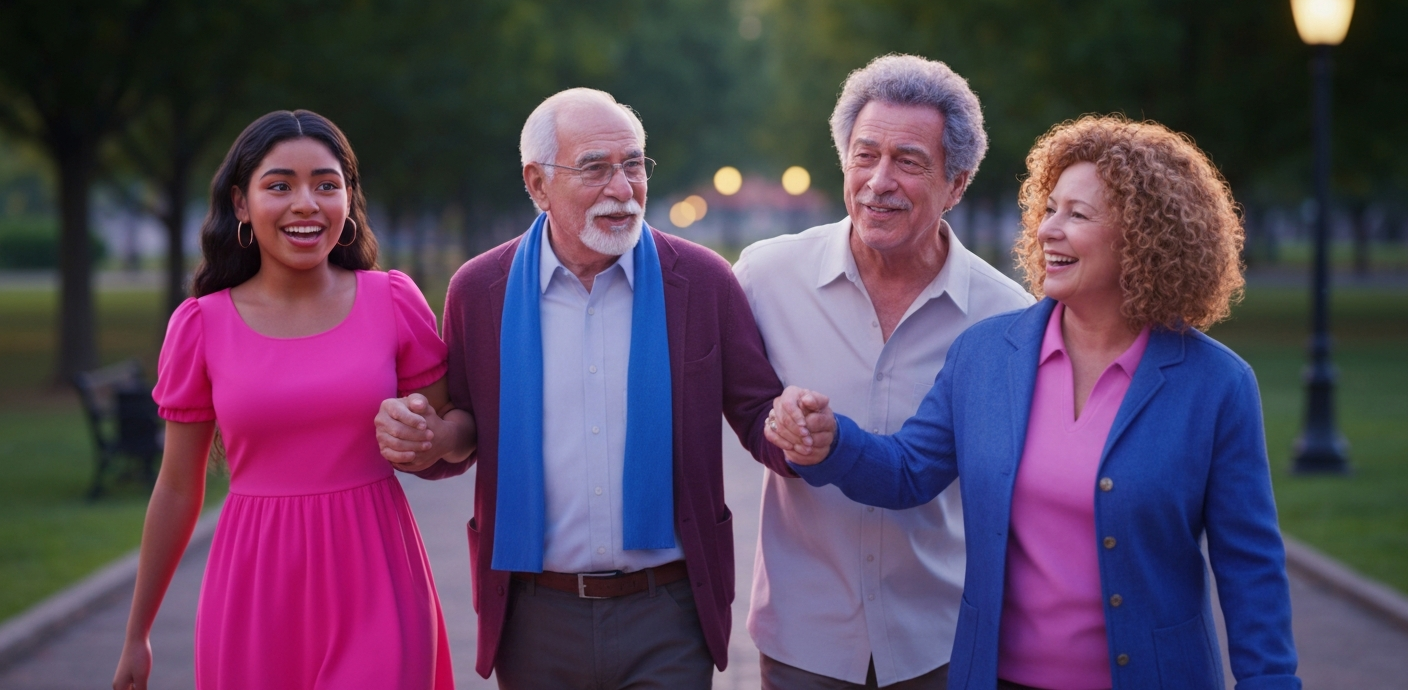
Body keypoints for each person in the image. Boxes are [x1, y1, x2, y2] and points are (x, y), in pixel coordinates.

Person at [768, 115, 1300, 690]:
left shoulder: (1215, 385)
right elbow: (908, 472)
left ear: (1145, 237)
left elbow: (1251, 573)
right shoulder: (986, 355)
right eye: (1049, 209)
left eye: (1078, 215)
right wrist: (830, 442)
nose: (1049, 230)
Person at [373, 88, 791, 689]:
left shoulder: (701, 282)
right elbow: (461, 425)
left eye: (634, 164)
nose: (623, 188)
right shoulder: (478, 291)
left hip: (670, 611)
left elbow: (757, 414)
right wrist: (427, 438)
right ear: (538, 184)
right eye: (595, 168)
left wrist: (800, 436)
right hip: (534, 613)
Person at [113, 110, 463, 690]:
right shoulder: (200, 326)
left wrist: (433, 437)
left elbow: (455, 431)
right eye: (280, 185)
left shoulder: (394, 302)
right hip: (253, 589)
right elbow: (177, 486)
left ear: (348, 200)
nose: (307, 203)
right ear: (242, 204)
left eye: (327, 185)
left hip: (378, 575)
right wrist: (136, 634)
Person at [734, 54, 1032, 690]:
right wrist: (775, 423)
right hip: (803, 638)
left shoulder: (1008, 315)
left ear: (957, 183)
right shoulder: (764, 277)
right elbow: (724, 405)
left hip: (939, 639)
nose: (879, 181)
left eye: (909, 161)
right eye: (864, 155)